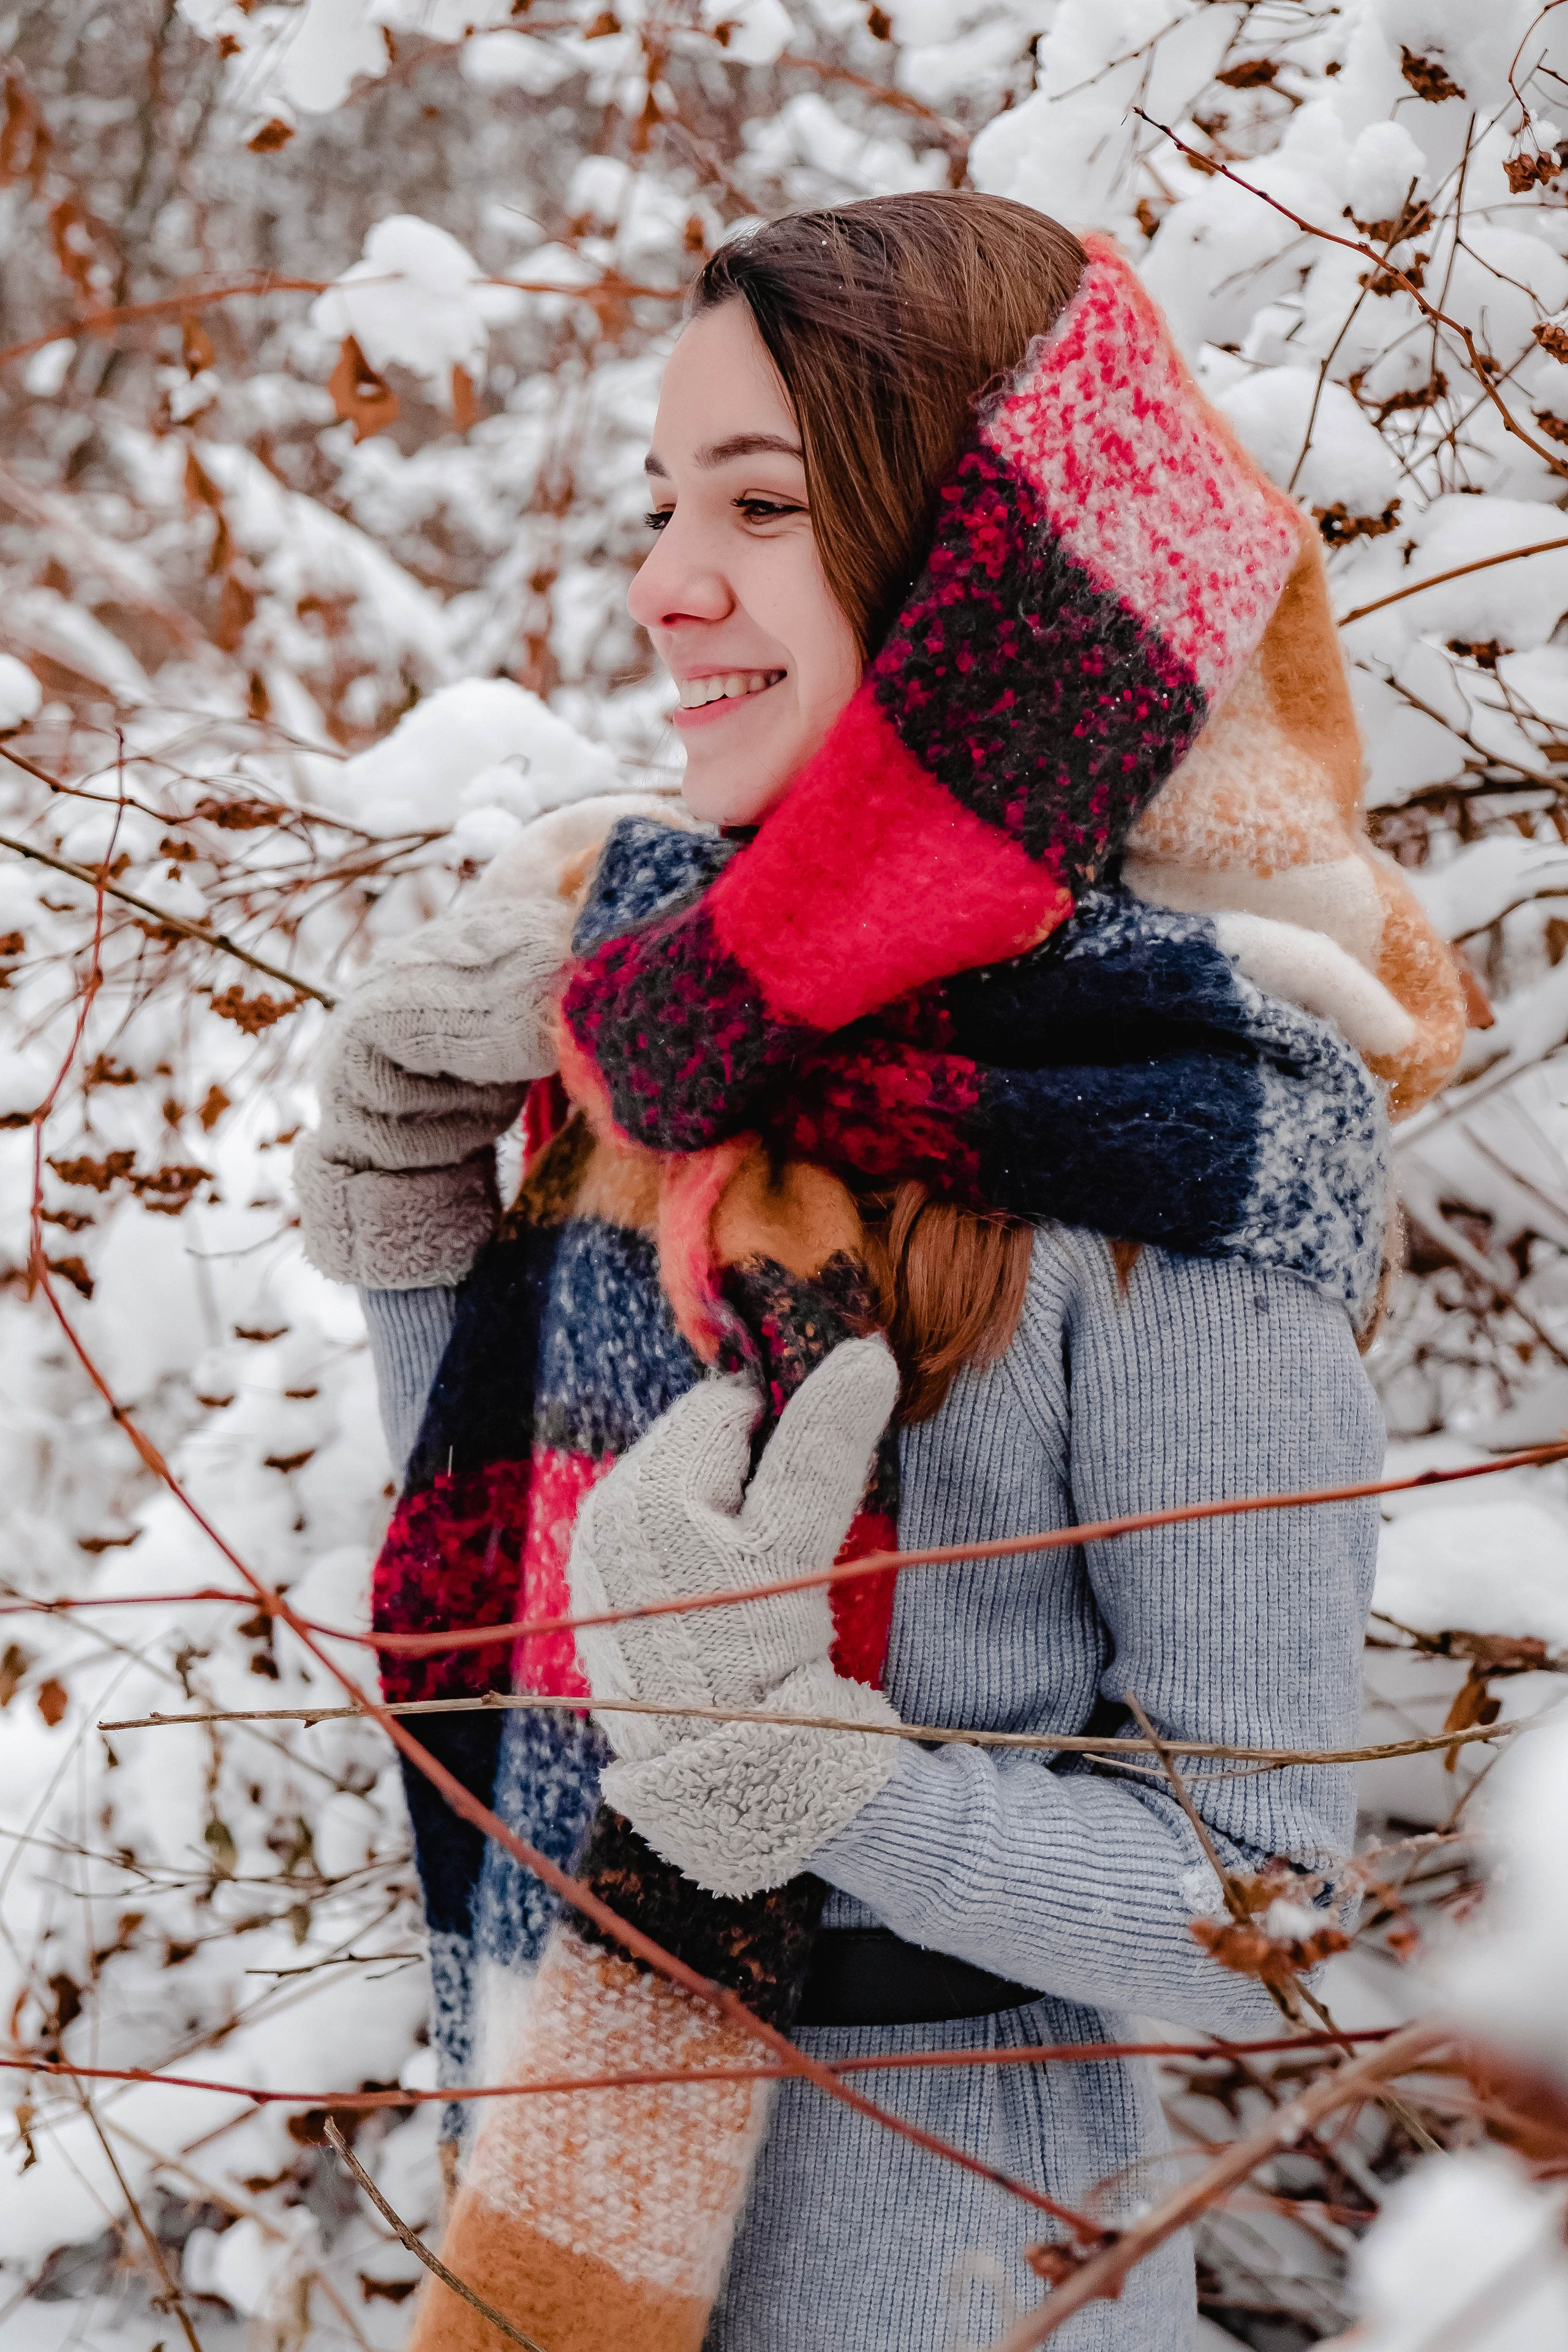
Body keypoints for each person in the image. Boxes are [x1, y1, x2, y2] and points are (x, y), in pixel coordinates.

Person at [297, 195, 1463, 2352]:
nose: (665, 583)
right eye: (663, 504)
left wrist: (826, 1785)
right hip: (559, 2184)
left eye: (760, 503)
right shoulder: (652, 1022)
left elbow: (1271, 1908)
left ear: (968, 585)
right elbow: (513, 1626)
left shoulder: (1188, 1140)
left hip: (962, 2270)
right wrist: (400, 1174)